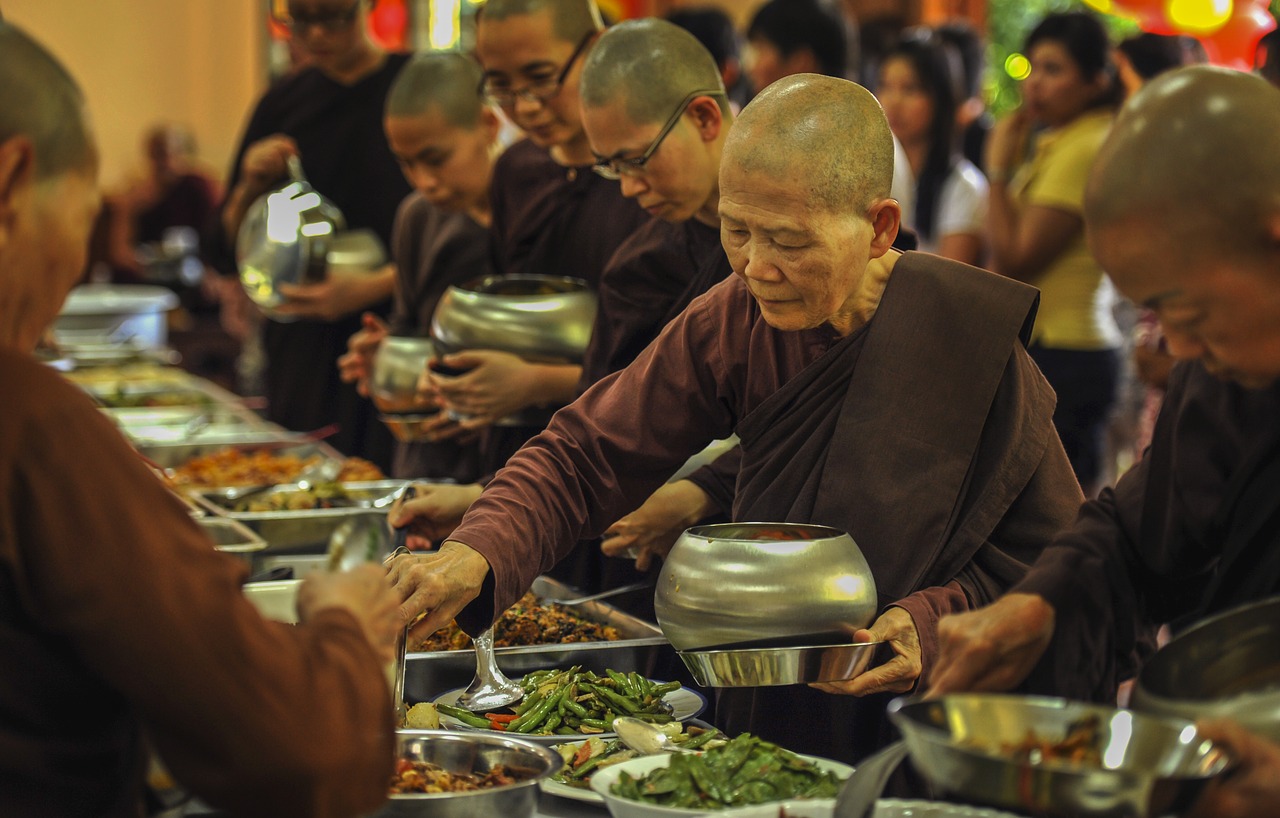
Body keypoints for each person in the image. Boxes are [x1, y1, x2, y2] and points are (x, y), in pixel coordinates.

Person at [386, 74, 1083, 764]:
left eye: (787, 241)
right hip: (764, 712)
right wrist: (476, 551)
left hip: (928, 728)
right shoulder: (736, 315)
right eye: (735, 229)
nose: (755, 266)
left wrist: (928, 621)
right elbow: (589, 450)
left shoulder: (968, 341)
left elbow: (1062, 569)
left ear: (879, 228)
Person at [0, 22, 400, 817]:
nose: (73, 265)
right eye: (81, 220)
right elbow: (302, 753)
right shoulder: (30, 426)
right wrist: (345, 627)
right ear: (12, 182)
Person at [927, 67, 1280, 817]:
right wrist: (1039, 604)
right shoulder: (1224, 374)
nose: (1177, 347)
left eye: (1184, 307)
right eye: (1152, 315)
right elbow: (1137, 527)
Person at [394, 0, 650, 521]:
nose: (526, 106)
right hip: (520, 457)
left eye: (540, 78)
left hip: (619, 465)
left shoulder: (644, 182)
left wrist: (533, 381)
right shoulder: (517, 170)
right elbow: (504, 324)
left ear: (596, 50)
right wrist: (456, 379)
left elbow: (661, 368)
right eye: (502, 86)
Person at [212, 0, 410, 469]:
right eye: (301, 20)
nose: (317, 35)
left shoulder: (410, 86)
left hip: (400, 335)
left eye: (334, 16)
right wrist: (248, 185)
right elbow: (225, 246)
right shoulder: (282, 102)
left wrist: (373, 286)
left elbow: (468, 231)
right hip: (304, 349)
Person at [337, 52, 498, 483]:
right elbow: (410, 327)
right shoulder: (417, 216)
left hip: (508, 461)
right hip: (426, 456)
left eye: (436, 159)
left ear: (489, 126)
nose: (424, 181)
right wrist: (384, 354)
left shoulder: (529, 214)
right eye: (406, 163)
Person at [984, 11, 1124, 496]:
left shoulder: (1085, 145)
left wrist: (998, 171)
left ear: (1096, 80)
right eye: (1032, 68)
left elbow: (1017, 256)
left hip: (1068, 350)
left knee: (1056, 511)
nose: (1035, 85)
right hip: (1058, 345)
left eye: (1054, 69)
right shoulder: (1065, 139)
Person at [876, 33, 987, 264]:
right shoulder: (875, 173)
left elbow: (946, 288)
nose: (893, 101)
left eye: (910, 89)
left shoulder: (965, 187)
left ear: (941, 98)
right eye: (886, 86)